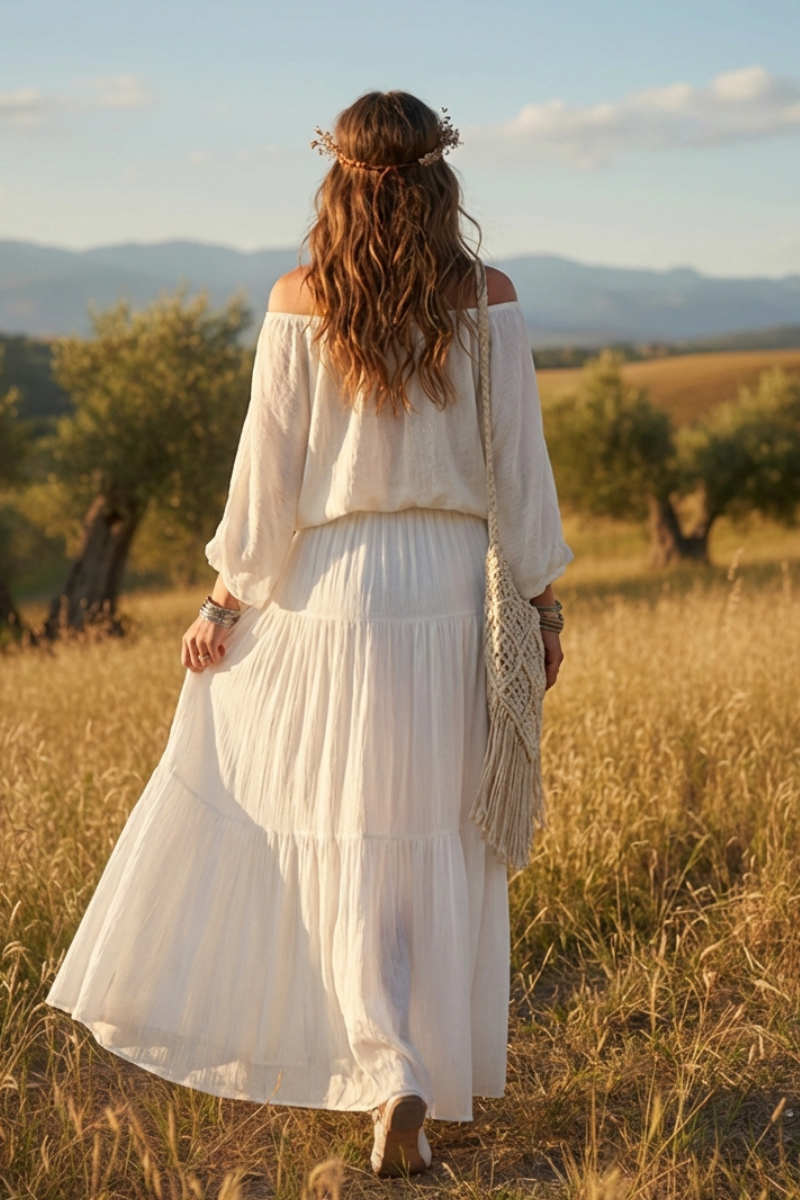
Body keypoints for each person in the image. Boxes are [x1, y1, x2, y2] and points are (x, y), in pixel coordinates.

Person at [46, 90, 573, 1178]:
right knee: (435, 837)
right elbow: (521, 477)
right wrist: (541, 605)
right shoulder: (490, 298)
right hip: (447, 592)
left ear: (336, 176)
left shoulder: (299, 299)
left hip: (329, 594)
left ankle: (384, 1073)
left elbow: (265, 479)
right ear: (441, 179)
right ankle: (412, 1068)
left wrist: (223, 602)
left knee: (341, 837)